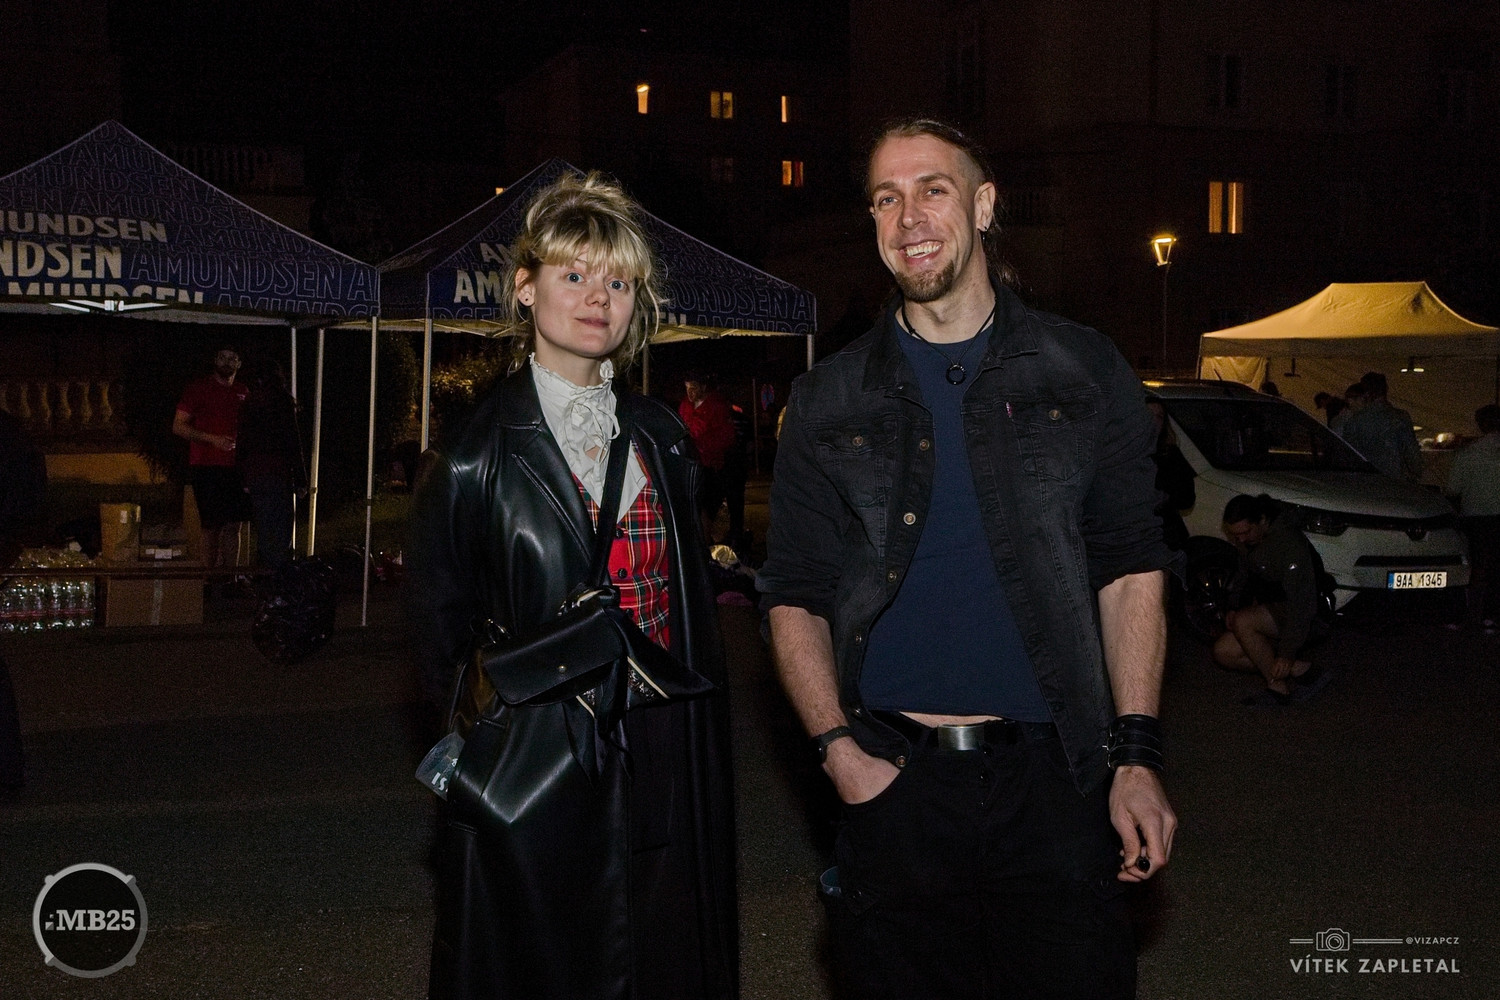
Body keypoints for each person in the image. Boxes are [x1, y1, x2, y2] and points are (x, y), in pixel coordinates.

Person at [757, 118, 1176, 1000]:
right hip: (894, 780)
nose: (908, 216)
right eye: (886, 198)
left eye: (932, 189)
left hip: (1059, 781)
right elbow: (793, 592)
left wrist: (1135, 754)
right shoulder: (828, 398)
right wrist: (838, 752)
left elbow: (1129, 567)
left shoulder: (1083, 368)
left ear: (984, 206)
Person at [407, 173, 737, 1000]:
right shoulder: (471, 456)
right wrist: (494, 743)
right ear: (526, 288)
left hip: (664, 733)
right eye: (575, 274)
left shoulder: (663, 437)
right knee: (548, 956)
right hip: (541, 746)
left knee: (660, 942)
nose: (598, 298)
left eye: (619, 283)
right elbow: (438, 640)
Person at [1212, 494, 1328, 705]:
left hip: (1309, 616)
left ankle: (1277, 688)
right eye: (1235, 535)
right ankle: (1302, 670)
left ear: (1262, 521)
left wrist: (1287, 653)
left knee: (1244, 622)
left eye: (1245, 532)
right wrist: (1233, 606)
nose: (1240, 540)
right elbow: (1243, 575)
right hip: (1273, 611)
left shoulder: (1289, 542)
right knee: (1224, 652)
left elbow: (1302, 604)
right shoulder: (1248, 541)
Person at [173, 346, 251, 568]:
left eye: (232, 358)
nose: (227, 362)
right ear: (215, 360)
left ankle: (230, 577)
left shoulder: (243, 391)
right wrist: (212, 439)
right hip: (206, 466)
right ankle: (209, 578)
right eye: (222, 357)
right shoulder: (198, 389)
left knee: (234, 526)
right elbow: (178, 426)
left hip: (235, 467)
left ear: (239, 364)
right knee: (211, 526)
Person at [236, 357, 307, 572]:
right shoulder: (283, 403)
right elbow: (293, 442)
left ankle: (266, 568)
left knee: (264, 523)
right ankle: (279, 570)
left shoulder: (250, 403)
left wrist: (243, 477)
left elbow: (242, 442)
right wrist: (300, 478)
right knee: (281, 524)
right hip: (279, 472)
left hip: (257, 472)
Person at [1445, 404, 1500, 633]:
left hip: (1476, 517)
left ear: (1480, 424)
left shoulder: (1468, 454)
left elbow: (1453, 489)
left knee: (1475, 568)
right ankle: (1492, 616)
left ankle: (1469, 616)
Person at [679, 372, 737, 544]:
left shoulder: (716, 406)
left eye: (693, 388)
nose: (690, 392)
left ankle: (706, 543)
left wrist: (704, 444)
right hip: (690, 464)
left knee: (707, 508)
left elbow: (726, 437)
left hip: (711, 466)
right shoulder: (685, 406)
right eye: (687, 388)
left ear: (703, 387)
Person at [1339, 371, 1423, 480]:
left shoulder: (1355, 421)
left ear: (1366, 393)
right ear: (1386, 389)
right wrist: (1416, 473)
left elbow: (1348, 455)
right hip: (1396, 479)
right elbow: (1411, 452)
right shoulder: (1401, 417)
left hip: (1366, 481)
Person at [1147, 397, 1195, 551]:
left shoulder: (1170, 455)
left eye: (1159, 416)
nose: (1154, 421)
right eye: (1149, 415)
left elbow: (1186, 499)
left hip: (1165, 535)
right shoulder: (1124, 454)